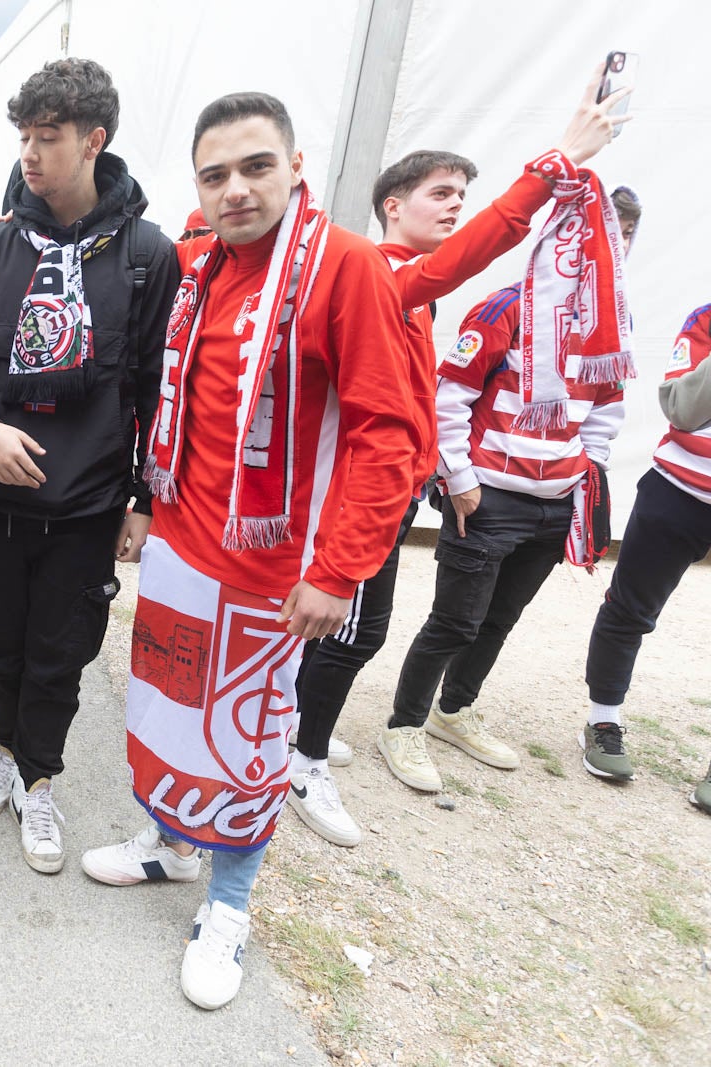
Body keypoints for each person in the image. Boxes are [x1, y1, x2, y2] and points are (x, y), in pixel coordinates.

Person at [80, 92, 417, 1011]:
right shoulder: (202, 269)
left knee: (246, 739)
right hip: (185, 549)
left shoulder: (342, 268)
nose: (235, 190)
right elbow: (181, 403)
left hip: (274, 573)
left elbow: (389, 437)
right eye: (215, 174)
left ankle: (229, 903)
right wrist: (149, 504)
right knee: (167, 712)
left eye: (255, 166)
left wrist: (337, 569)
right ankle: (172, 844)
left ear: (296, 166)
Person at [286, 77, 629, 847]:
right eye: (440, 192)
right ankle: (302, 757)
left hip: (391, 494)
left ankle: (296, 732)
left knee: (348, 633)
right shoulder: (383, 272)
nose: (454, 206)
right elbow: (471, 256)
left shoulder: (411, 291)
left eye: (462, 194)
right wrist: (553, 167)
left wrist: (433, 473)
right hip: (353, 499)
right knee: (355, 633)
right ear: (392, 206)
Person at [0, 58, 178, 875]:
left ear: (94, 141)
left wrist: (143, 499)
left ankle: (38, 778)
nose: (31, 155)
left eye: (49, 139)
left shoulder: (147, 255)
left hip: (85, 503)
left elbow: (156, 387)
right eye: (25, 138)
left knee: (61, 651)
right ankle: (8, 751)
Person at [385, 183, 636, 794]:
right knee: (455, 622)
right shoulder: (506, 308)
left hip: (554, 505)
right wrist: (462, 480)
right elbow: (450, 394)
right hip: (488, 500)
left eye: (621, 241)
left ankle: (454, 711)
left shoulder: (610, 327)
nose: (609, 252)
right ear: (565, 241)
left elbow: (606, 408)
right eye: (599, 238)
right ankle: (404, 726)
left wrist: (586, 471)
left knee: (501, 619)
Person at [579, 295, 711, 811]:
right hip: (678, 488)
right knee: (631, 609)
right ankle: (602, 720)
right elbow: (681, 407)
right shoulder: (705, 318)